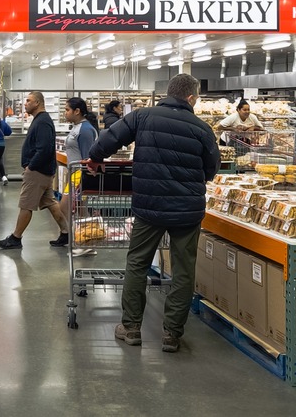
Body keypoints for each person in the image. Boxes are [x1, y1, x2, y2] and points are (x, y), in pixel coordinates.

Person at [86, 74, 220, 353]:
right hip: (187, 211)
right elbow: (211, 169)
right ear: (191, 98)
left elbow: (111, 138)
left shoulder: (142, 116)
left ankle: (131, 327)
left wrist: (96, 158)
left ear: (168, 93)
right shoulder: (202, 128)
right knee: (183, 270)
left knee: (137, 263)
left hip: (149, 207)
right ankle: (172, 333)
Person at [0, 91, 69, 250]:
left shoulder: (42, 122)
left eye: (29, 101)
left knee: (26, 205)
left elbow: (44, 149)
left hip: (38, 172)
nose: (25, 103)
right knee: (50, 202)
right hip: (43, 171)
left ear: (38, 103)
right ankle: (65, 232)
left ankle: (16, 238)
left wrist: (31, 166)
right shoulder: (40, 120)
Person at [60, 97, 99, 257]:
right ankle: (86, 242)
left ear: (77, 111)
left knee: (68, 206)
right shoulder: (77, 127)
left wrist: (84, 178)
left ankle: (85, 241)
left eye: (67, 110)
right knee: (79, 209)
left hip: (79, 174)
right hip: (74, 173)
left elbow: (87, 157)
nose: (65, 113)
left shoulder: (85, 130)